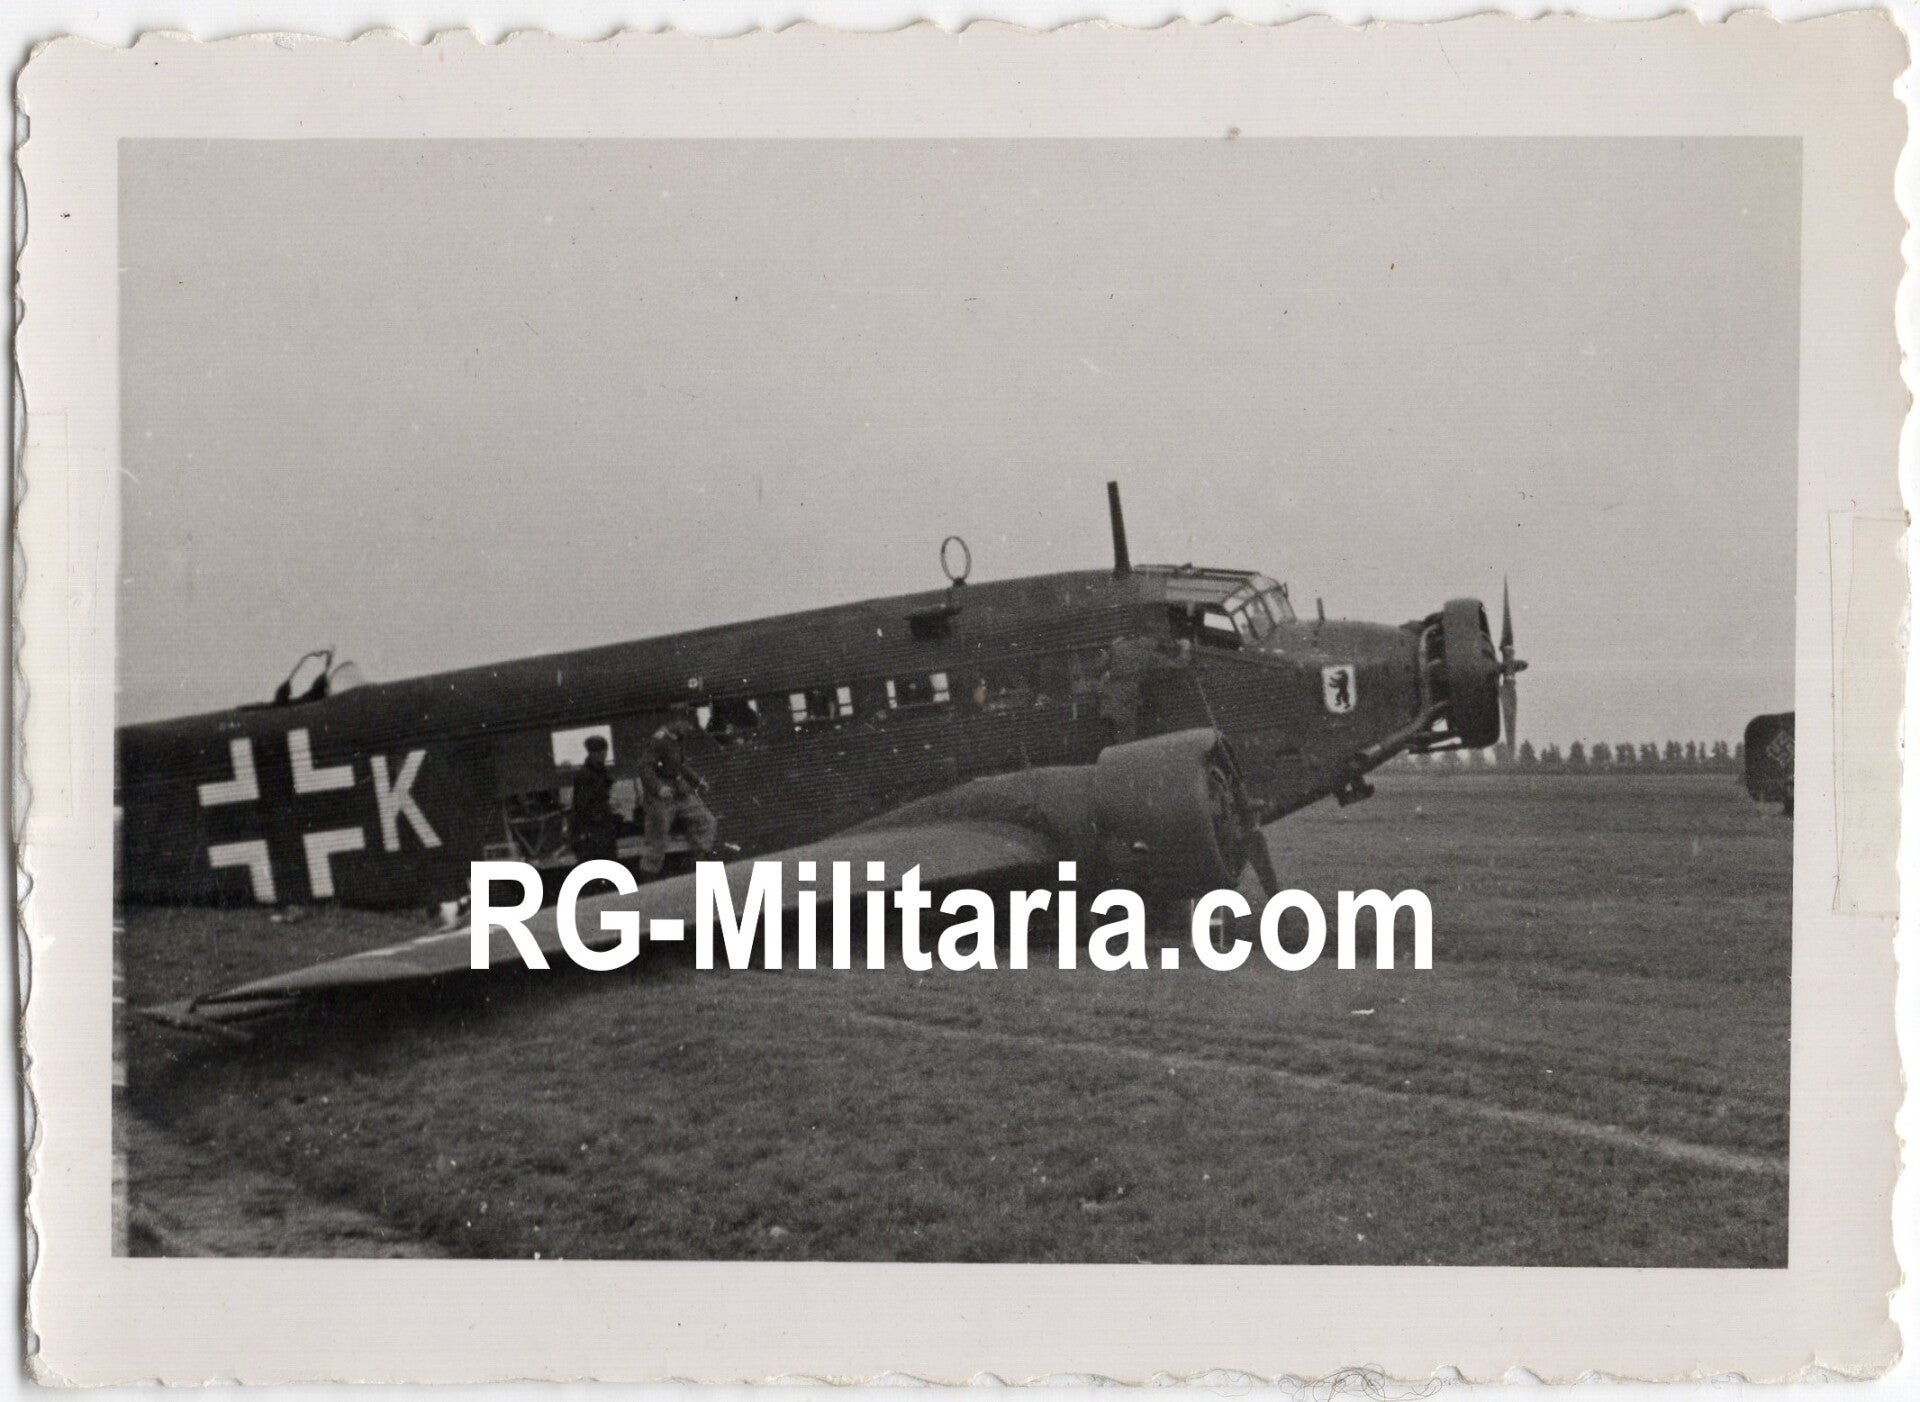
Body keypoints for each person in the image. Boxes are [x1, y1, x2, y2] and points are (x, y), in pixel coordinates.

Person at [638, 708, 719, 876]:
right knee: (658, 837)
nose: (689, 727)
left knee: (707, 821)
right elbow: (645, 767)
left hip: (679, 792)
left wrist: (697, 781)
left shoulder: (678, 739)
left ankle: (700, 859)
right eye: (686, 723)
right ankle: (649, 875)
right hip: (662, 796)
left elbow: (680, 765)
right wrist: (659, 787)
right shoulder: (658, 740)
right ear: (674, 721)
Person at [568, 734, 621, 863]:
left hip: (597, 828)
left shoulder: (596, 771)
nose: (603, 755)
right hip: (595, 830)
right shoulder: (588, 775)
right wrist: (607, 808)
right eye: (602, 752)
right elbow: (585, 805)